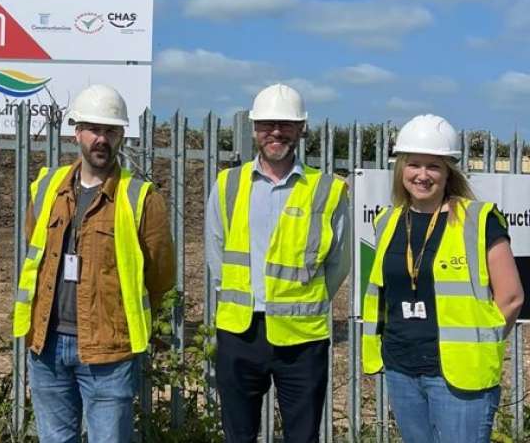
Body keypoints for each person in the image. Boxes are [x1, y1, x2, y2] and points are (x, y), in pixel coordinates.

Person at [13, 84, 174, 442]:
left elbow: (161, 275)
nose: (102, 139)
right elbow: (33, 248)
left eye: (111, 131)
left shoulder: (142, 199)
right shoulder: (47, 188)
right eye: (94, 129)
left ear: (122, 137)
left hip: (109, 350)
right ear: (77, 133)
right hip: (47, 345)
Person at [362, 114, 523, 443]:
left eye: (433, 166)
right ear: (401, 168)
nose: (422, 175)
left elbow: (511, 297)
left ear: (449, 170)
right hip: (401, 368)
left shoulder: (478, 221)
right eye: (414, 164)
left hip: (458, 376)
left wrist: (480, 342)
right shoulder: (387, 221)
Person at [205, 83, 350, 443]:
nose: (275, 131)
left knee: (302, 436)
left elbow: (339, 262)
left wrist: (301, 301)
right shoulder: (228, 184)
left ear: (301, 129)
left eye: (285, 124)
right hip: (241, 331)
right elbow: (216, 252)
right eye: (267, 123)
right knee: (238, 435)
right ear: (254, 129)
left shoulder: (327, 189)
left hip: (302, 338)